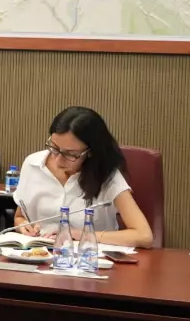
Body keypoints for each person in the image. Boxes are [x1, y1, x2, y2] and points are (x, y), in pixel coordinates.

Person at [12, 106, 153, 248]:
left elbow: (144, 236)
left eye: (70, 154)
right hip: (39, 254)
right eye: (54, 148)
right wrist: (23, 225)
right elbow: (20, 216)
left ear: (90, 152)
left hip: (89, 257)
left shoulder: (106, 175)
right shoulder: (33, 164)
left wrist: (82, 235)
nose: (58, 161)